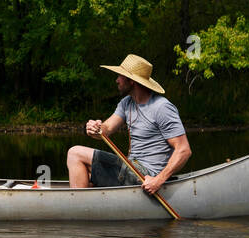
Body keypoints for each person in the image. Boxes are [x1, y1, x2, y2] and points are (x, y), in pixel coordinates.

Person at [66, 54, 191, 194]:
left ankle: (78, 208)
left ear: (132, 81)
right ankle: (85, 207)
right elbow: (106, 130)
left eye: (120, 76)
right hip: (131, 168)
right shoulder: (126, 103)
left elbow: (184, 150)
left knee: (75, 153)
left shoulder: (161, 107)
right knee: (82, 175)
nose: (117, 80)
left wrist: (158, 180)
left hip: (146, 175)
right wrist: (95, 128)